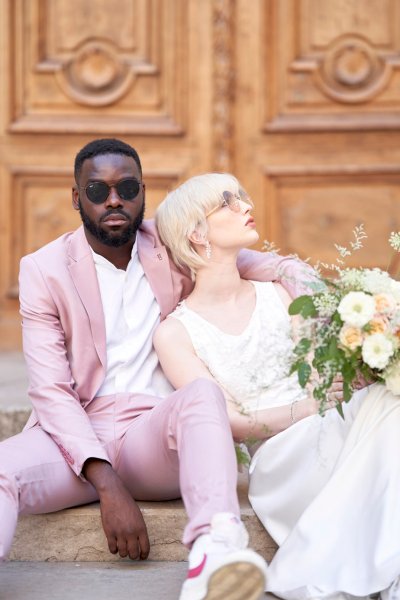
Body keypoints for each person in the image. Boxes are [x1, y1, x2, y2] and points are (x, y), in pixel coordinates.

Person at [0, 139, 315, 600]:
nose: (113, 200)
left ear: (142, 192)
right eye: (97, 189)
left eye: (126, 187)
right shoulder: (43, 269)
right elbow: (50, 390)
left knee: (203, 395)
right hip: (74, 433)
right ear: (76, 197)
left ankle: (216, 553)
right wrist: (106, 483)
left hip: (157, 428)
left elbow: (266, 265)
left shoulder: (167, 243)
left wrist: (338, 301)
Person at [154, 172, 400, 600]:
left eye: (243, 198)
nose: (247, 206)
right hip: (280, 461)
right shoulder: (175, 333)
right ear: (196, 232)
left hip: (330, 425)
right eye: (229, 201)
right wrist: (307, 409)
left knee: (385, 397)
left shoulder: (279, 295)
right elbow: (225, 420)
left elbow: (320, 372)